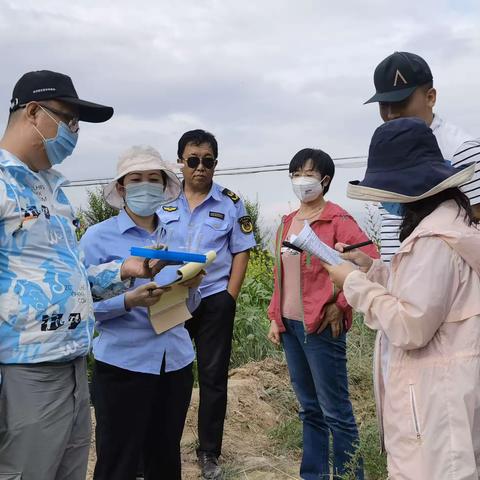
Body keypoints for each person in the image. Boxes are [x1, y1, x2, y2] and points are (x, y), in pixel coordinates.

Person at [0, 71, 162, 480]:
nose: (74, 132)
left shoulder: (53, 192)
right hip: (25, 368)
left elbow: (69, 277)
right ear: (33, 113)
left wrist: (125, 270)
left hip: (72, 361)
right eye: (69, 120)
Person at [324, 117, 480, 480]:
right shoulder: (452, 227)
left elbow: (411, 325)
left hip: (434, 409)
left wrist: (355, 285)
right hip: (442, 400)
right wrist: (372, 268)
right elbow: (428, 295)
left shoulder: (432, 242)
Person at [80, 146, 203, 480]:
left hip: (174, 363)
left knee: (164, 459)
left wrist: (190, 288)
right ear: (121, 188)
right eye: (136, 179)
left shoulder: (176, 235)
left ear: (164, 186)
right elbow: (82, 306)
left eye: (153, 178)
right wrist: (129, 301)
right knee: (118, 462)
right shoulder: (97, 238)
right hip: (123, 366)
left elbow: (191, 307)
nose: (145, 185)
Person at [266, 148, 379, 480]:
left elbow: (367, 264)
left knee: (335, 411)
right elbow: (279, 274)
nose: (301, 180)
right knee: (309, 409)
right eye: (296, 173)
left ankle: (348, 475)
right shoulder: (287, 223)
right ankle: (313, 475)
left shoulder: (338, 220)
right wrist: (275, 316)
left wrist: (341, 304)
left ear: (325, 179)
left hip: (321, 327)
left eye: (308, 173)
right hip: (291, 326)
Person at [157, 129, 256, 479]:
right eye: (193, 160)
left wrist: (230, 296)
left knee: (213, 378)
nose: (200, 168)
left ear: (216, 164)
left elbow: (242, 249)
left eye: (208, 161)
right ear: (181, 162)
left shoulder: (230, 202)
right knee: (168, 373)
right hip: (173, 298)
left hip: (214, 299)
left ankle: (209, 453)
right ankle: (160, 445)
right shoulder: (162, 202)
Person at [365, 51, 480, 261]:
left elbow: (474, 228)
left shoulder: (461, 149)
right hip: (398, 280)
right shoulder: (387, 151)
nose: (391, 114)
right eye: (383, 104)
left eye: (400, 102)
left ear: (431, 97)